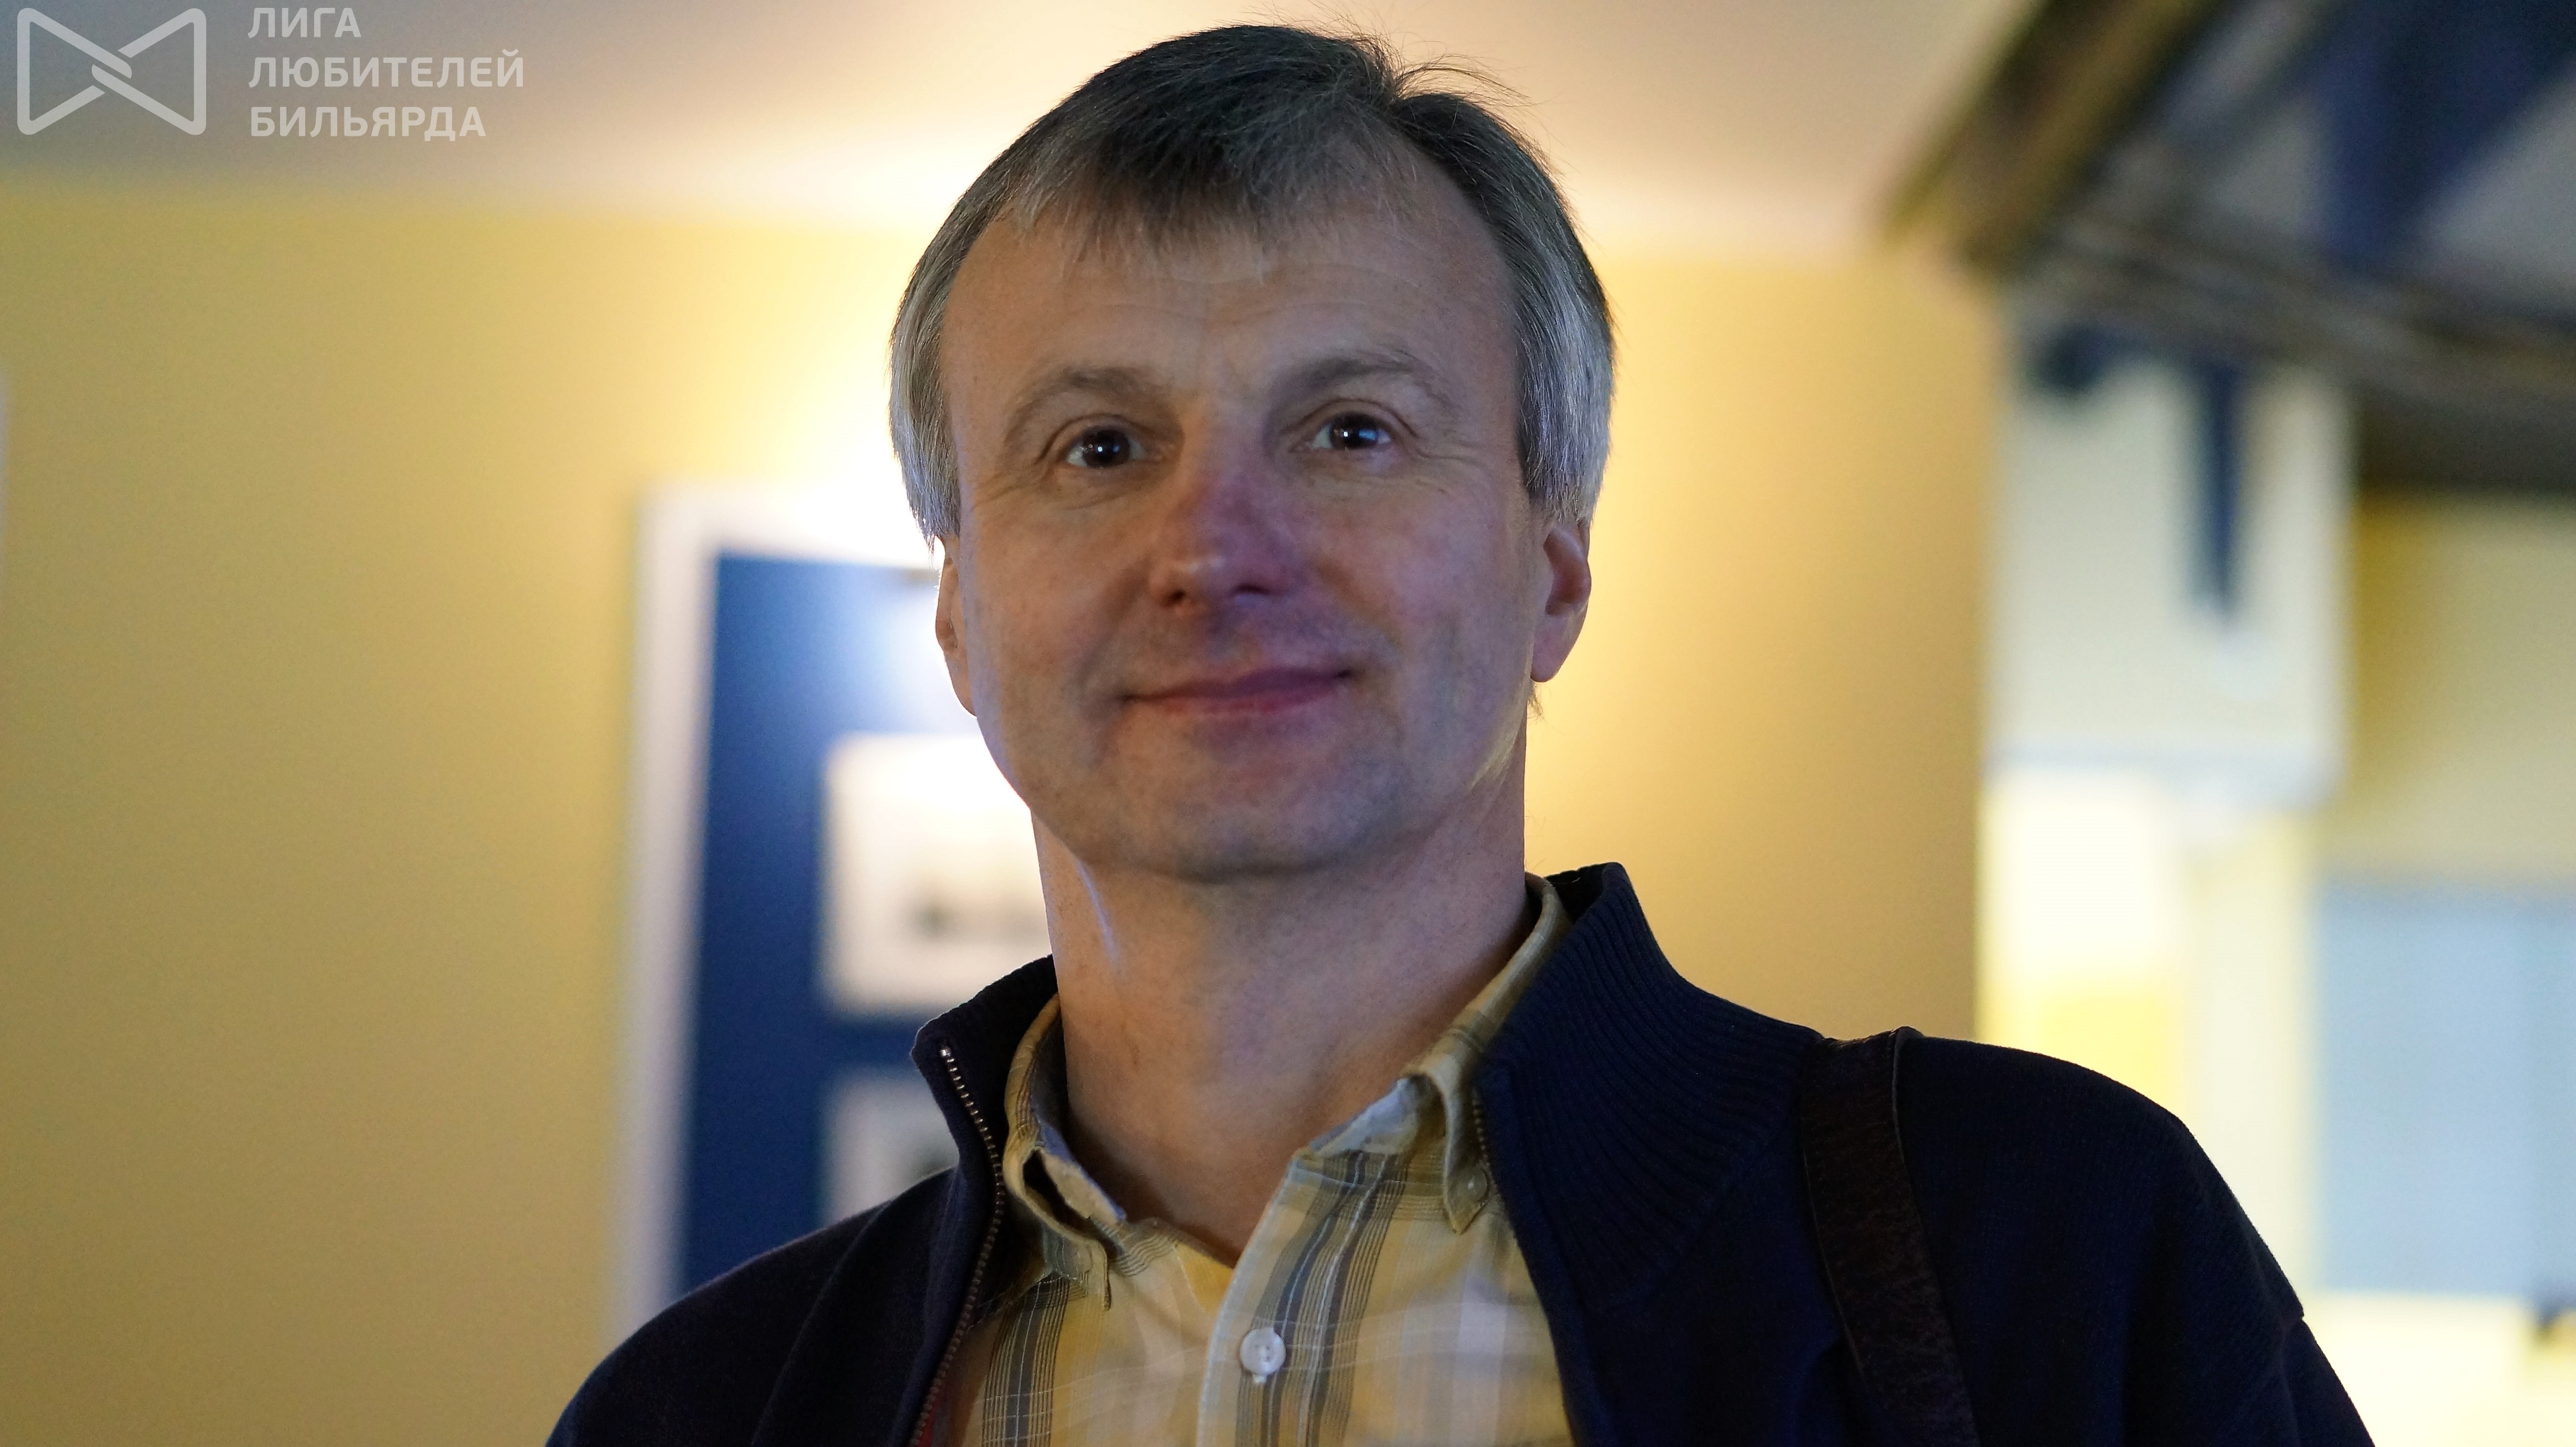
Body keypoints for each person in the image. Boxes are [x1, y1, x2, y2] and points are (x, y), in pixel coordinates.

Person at [551, 24, 2370, 1447]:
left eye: (1351, 431)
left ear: (1551, 572)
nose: (1213, 549)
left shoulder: (2045, 1251)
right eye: (1098, 447)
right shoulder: (700, 1412)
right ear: (959, 618)